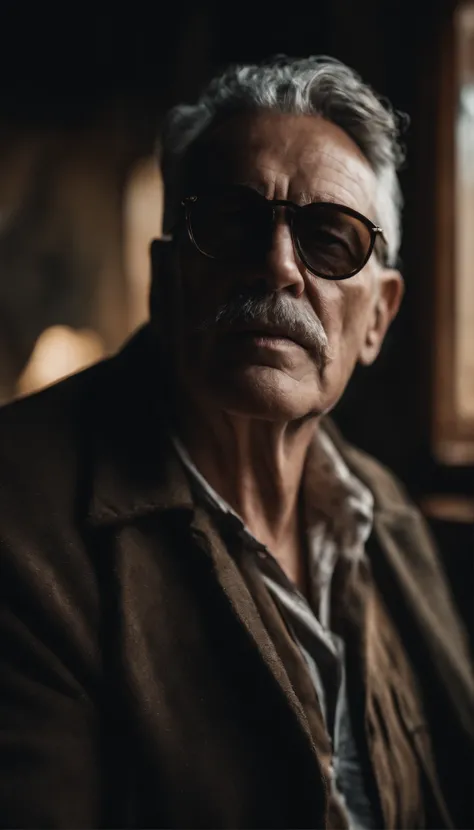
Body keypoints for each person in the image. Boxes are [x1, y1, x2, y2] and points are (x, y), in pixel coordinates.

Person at [0, 56, 472, 830]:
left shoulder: (384, 515)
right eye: (230, 221)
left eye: (330, 238)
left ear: (379, 318)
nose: (279, 266)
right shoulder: (20, 521)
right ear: (164, 276)